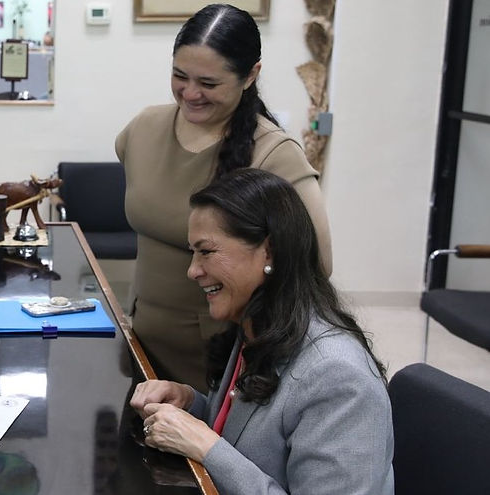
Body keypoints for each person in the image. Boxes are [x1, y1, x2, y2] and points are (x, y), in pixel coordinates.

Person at [129, 169, 392, 494]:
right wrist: (190, 404)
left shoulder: (337, 377)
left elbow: (224, 450)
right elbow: (248, 435)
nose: (193, 270)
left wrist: (206, 446)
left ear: (268, 251)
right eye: (192, 252)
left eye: (206, 251)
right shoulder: (257, 328)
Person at [115, 4, 332, 391]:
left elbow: (316, 262)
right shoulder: (144, 129)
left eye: (209, 84)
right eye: (180, 76)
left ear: (250, 76)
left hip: (220, 357)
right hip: (141, 340)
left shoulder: (273, 153)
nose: (191, 93)